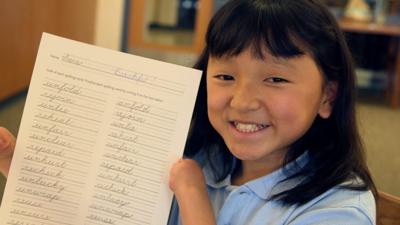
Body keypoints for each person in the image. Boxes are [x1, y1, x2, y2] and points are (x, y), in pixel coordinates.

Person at [1, 0, 377, 224]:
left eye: (276, 79)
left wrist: (194, 199)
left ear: (328, 96)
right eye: (226, 75)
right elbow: (98, 206)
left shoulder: (337, 210)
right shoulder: (197, 156)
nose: (243, 101)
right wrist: (21, 165)